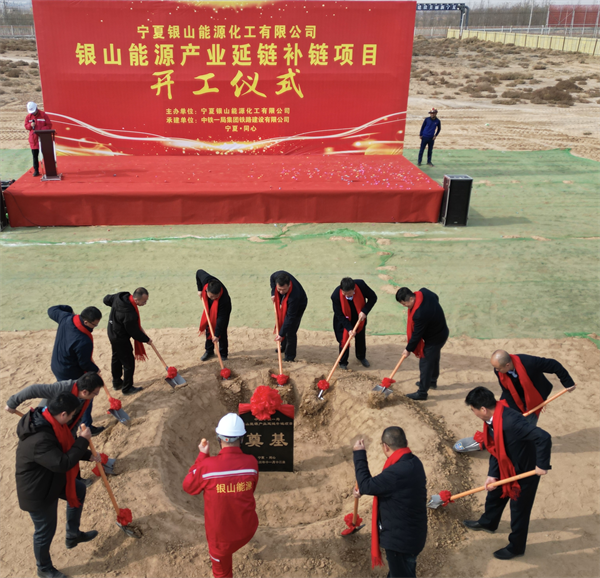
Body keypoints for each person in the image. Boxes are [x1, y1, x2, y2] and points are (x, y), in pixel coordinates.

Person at [16, 392, 101, 578]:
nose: (72, 419)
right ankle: (44, 568)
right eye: (71, 415)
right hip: (38, 492)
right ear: (63, 414)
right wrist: (83, 440)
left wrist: (88, 455)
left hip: (51, 478)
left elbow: (64, 448)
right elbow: (62, 462)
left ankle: (73, 534)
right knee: (45, 531)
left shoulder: (50, 421)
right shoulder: (40, 439)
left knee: (78, 490)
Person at [463, 387, 551, 560]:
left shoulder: (511, 422)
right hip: (506, 465)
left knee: (519, 511)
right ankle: (489, 522)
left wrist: (542, 465)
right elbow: (496, 447)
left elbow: (543, 437)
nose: (473, 413)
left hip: (525, 471)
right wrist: (492, 474)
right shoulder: (493, 418)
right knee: (494, 494)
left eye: (473, 409)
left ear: (483, 409)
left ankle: (516, 547)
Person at [183, 413, 259, 578]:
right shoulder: (252, 463)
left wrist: (202, 456)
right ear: (242, 439)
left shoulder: (207, 466)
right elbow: (250, 489)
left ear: (219, 439)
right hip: (248, 529)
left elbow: (188, 486)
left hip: (221, 539)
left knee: (222, 573)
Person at [454, 350, 576, 452]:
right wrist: (510, 410)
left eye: (498, 368)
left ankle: (522, 444)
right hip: (513, 394)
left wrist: (568, 382)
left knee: (526, 422)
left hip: (535, 396)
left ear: (507, 365)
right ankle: (490, 440)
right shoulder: (499, 370)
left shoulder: (529, 362)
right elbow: (506, 389)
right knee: (501, 416)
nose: (496, 370)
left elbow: (554, 365)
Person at [353, 427, 427, 578]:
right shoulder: (414, 463)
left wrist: (359, 454)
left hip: (400, 542)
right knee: (400, 572)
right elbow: (385, 486)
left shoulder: (396, 472)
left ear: (385, 447)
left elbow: (366, 485)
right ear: (406, 443)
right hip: (413, 535)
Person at [48, 305, 103, 435]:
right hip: (70, 371)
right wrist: (96, 370)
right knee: (86, 396)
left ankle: (66, 419)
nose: (94, 328)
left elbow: (51, 310)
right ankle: (86, 425)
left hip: (57, 366)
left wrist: (68, 309)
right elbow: (84, 364)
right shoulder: (83, 340)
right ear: (86, 322)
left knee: (68, 395)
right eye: (94, 325)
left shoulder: (66, 318)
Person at [5, 373, 104, 437]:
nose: (95, 396)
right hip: (44, 423)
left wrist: (70, 437)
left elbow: (76, 420)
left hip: (62, 425)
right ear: (85, 392)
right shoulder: (62, 388)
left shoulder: (85, 399)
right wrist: (12, 403)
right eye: (95, 393)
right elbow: (33, 389)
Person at [396, 287, 449, 401]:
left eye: (405, 304)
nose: (405, 306)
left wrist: (408, 349)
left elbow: (417, 335)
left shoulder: (420, 314)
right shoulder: (424, 292)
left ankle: (422, 392)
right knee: (434, 357)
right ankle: (432, 381)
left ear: (411, 298)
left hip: (435, 338)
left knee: (425, 362)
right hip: (442, 331)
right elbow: (436, 297)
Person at [103, 288, 151, 396]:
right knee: (128, 362)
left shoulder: (120, 297)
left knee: (116, 357)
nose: (145, 303)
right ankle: (127, 388)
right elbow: (134, 333)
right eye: (144, 301)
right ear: (136, 300)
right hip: (120, 337)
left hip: (111, 331)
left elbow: (106, 299)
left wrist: (115, 307)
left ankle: (117, 383)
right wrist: (147, 339)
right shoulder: (129, 314)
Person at [331, 277, 377, 369]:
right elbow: (339, 315)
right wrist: (349, 329)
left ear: (354, 289)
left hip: (359, 317)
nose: (347, 296)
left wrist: (364, 311)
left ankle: (361, 357)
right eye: (344, 294)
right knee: (344, 340)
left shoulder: (361, 285)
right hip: (343, 320)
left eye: (349, 294)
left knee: (360, 338)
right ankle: (343, 362)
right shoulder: (335, 295)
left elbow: (373, 297)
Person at [270, 271, 308, 362]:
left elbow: (290, 317)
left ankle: (290, 356)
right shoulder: (276, 276)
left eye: (284, 290)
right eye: (279, 289)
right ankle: (283, 346)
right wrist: (273, 293)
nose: (281, 292)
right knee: (282, 321)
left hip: (299, 305)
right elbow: (272, 278)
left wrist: (281, 334)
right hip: (286, 301)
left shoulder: (294, 296)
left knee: (291, 330)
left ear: (289, 285)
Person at [196, 270, 232, 362]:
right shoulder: (206, 279)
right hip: (210, 306)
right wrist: (199, 290)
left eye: (216, 296)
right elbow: (198, 272)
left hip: (222, 309)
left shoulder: (224, 300)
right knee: (209, 327)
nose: (213, 298)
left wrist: (216, 335)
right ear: (207, 290)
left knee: (221, 331)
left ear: (219, 293)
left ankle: (223, 354)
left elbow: (221, 319)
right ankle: (209, 351)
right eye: (211, 296)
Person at [24, 101, 52, 177]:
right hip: (34, 139)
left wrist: (41, 130)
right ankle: (36, 170)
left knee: (46, 154)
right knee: (35, 156)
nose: (33, 113)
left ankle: (49, 170)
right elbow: (26, 126)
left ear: (36, 108)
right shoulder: (28, 117)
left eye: (34, 111)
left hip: (43, 138)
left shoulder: (43, 115)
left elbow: (49, 125)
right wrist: (30, 125)